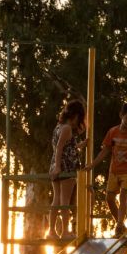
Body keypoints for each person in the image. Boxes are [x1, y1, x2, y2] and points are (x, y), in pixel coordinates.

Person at [85, 102, 127, 237]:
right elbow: (105, 151)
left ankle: (119, 225)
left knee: (124, 195)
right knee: (109, 198)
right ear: (121, 116)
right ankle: (120, 224)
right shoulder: (113, 132)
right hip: (114, 171)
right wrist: (92, 164)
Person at [46, 100, 87, 240]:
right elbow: (59, 148)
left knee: (56, 199)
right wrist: (59, 166)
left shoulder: (59, 127)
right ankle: (65, 232)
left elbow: (69, 147)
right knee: (65, 201)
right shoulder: (67, 128)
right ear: (76, 116)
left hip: (57, 165)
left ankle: (51, 231)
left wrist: (81, 145)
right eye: (79, 118)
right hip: (66, 167)